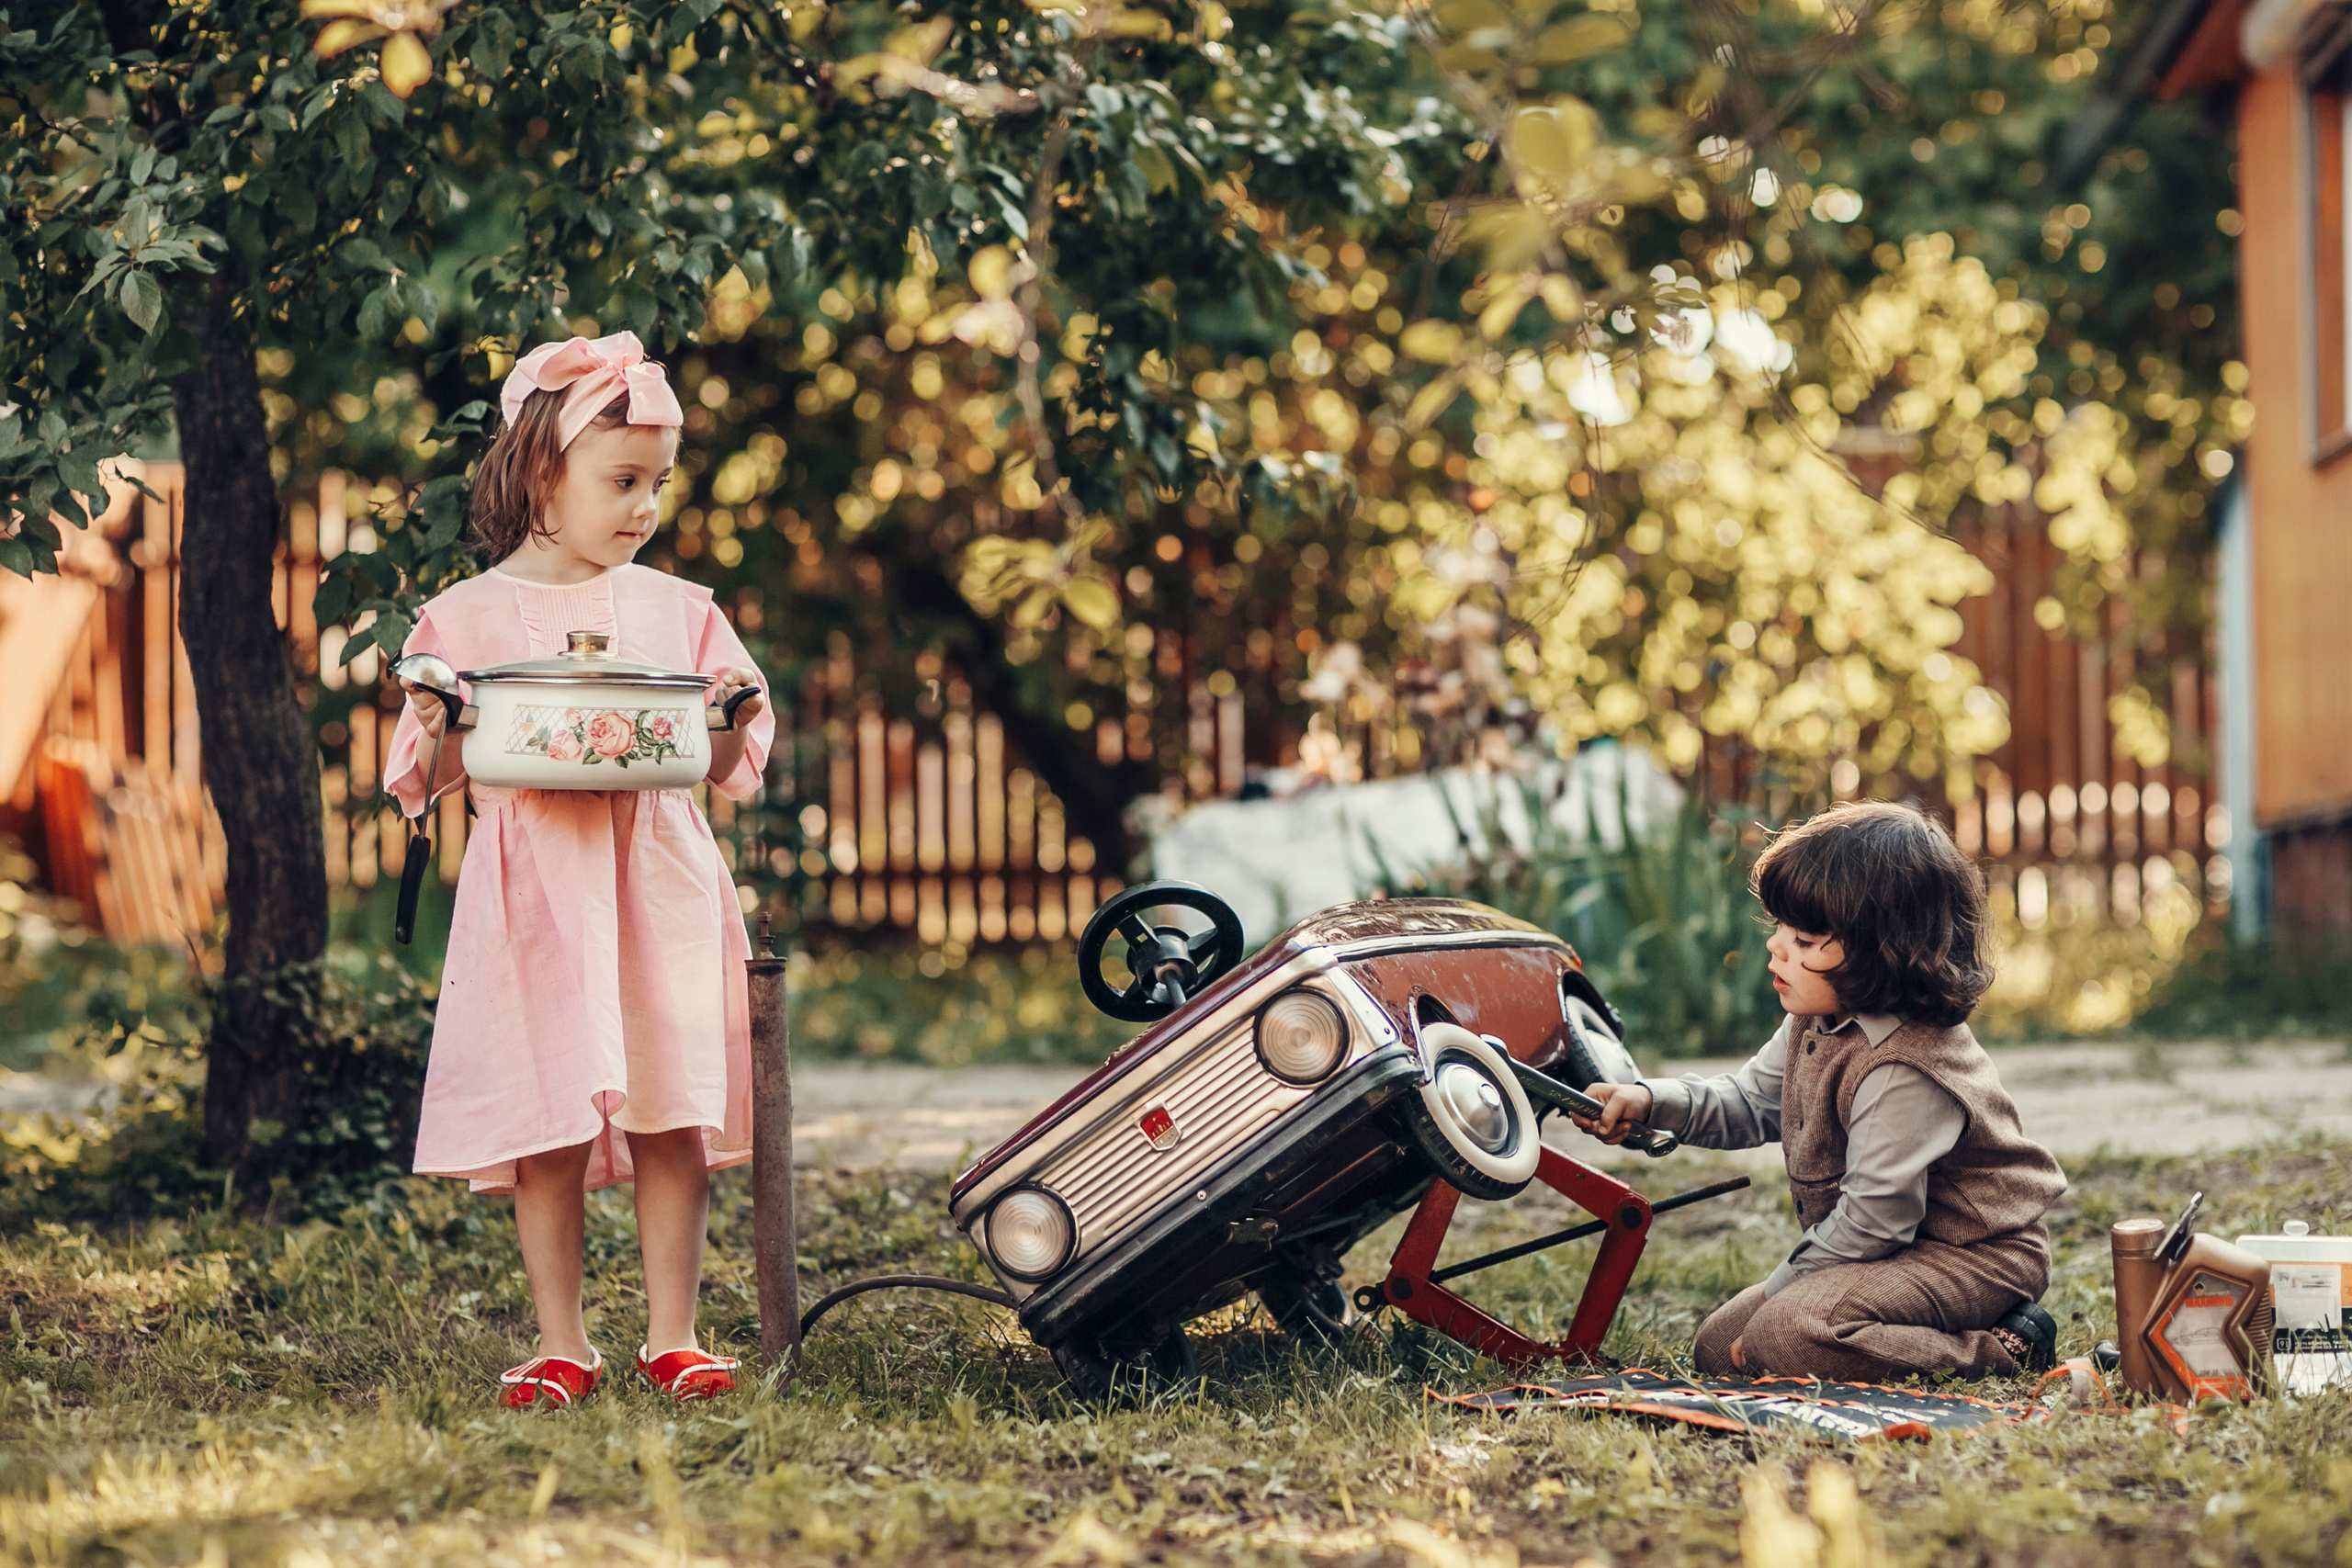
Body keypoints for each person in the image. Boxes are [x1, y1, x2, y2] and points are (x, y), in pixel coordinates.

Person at [385, 332, 774, 1408]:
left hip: (657, 885)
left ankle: (672, 1336)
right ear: (541, 470)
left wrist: (730, 718)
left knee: (668, 1107)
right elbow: (433, 777)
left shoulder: (678, 610)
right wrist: (439, 717)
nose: (646, 507)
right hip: (532, 894)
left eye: (659, 483)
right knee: (546, 1111)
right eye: (623, 481)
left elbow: (725, 765)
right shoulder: (462, 618)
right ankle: (562, 1343)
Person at [1576, 800, 2066, 1382]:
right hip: (1895, 1252)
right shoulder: (1816, 1020)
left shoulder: (1905, 1067)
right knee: (1719, 1346)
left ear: (1884, 951)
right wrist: (1651, 1101)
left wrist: (1779, 1294)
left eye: (1805, 939)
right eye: (1781, 927)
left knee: (1783, 1337)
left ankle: (2004, 1349)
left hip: (1975, 1257)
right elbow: (1750, 1101)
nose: (1776, 947)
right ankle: (1855, 1333)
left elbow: (1873, 1224)